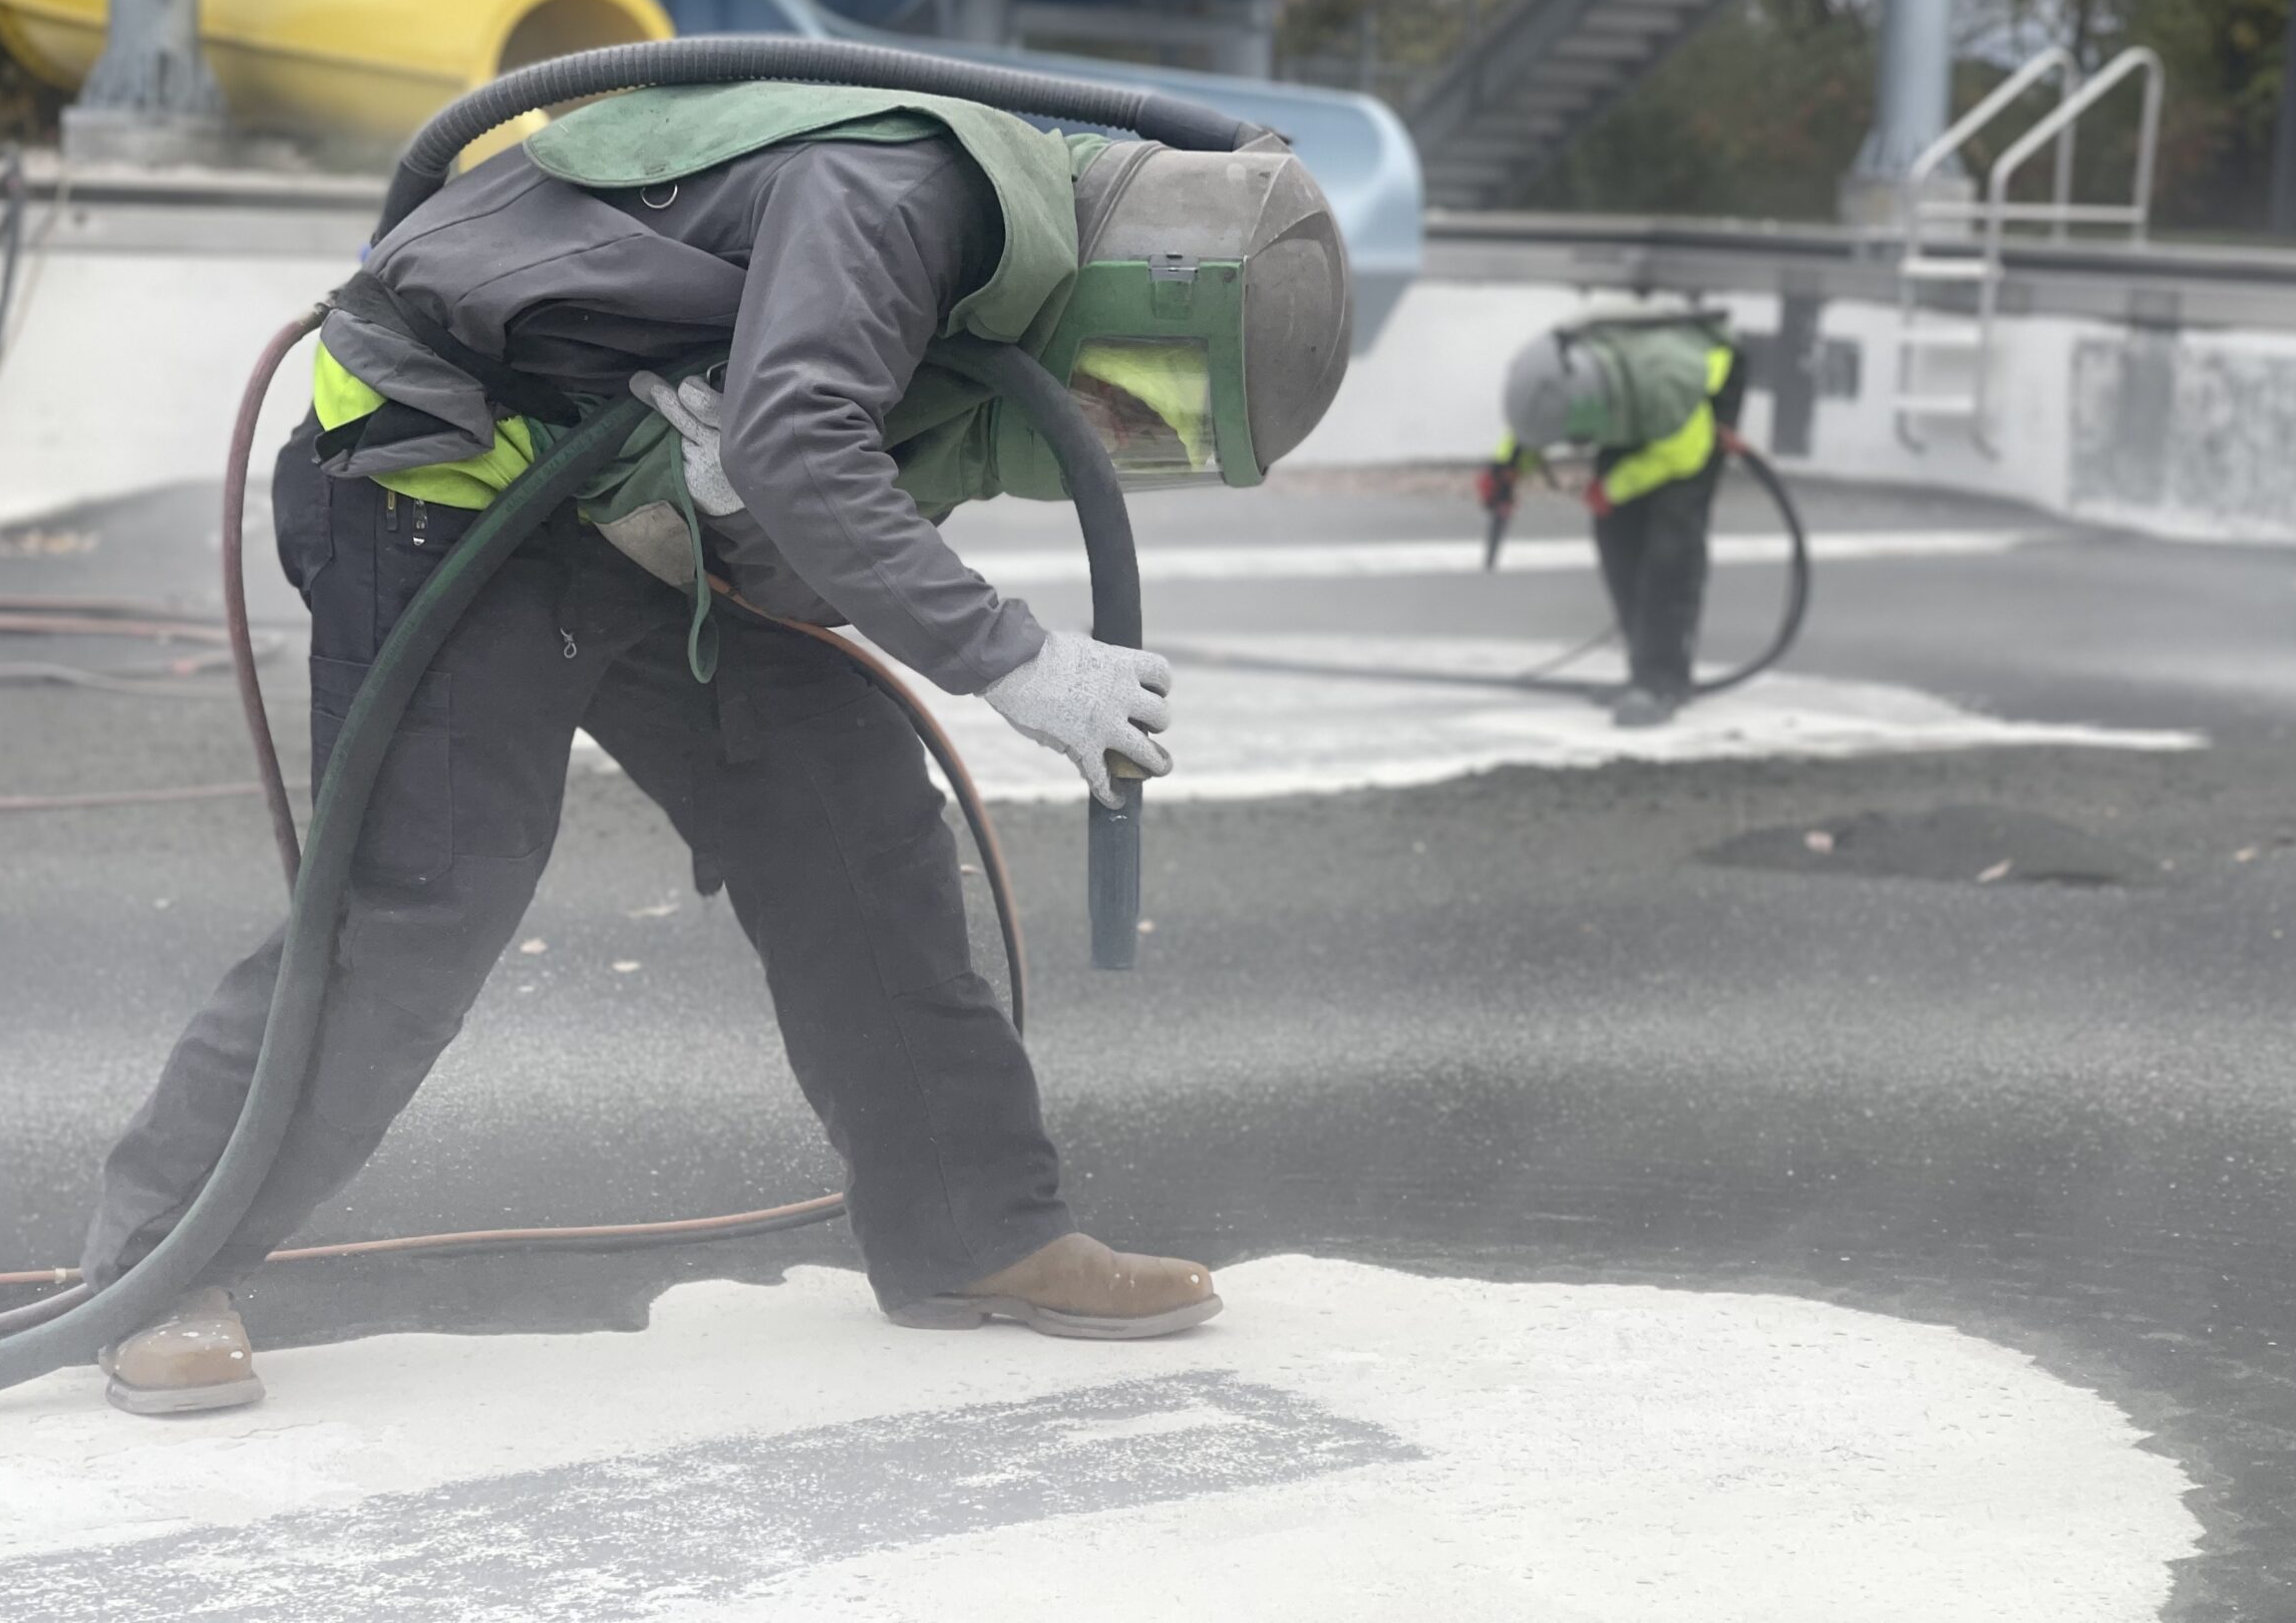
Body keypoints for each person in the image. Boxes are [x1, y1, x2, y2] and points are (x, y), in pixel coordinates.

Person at [85, 80, 1354, 1415]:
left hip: (624, 511)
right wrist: (1008, 654)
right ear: (1146, 291)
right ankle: (154, 1268)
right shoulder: (904, 197)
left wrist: (731, 499)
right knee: (424, 899)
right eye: (1131, 401)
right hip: (443, 480)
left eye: (1152, 437)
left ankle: (974, 1234)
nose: (1109, 436)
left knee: (846, 802)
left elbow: (812, 542)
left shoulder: (999, 306)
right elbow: (808, 439)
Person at [1478, 313, 1745, 728]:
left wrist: (1613, 488)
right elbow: (1544, 417)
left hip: (1697, 399)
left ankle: (1661, 682)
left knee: (1669, 544)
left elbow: (1682, 455)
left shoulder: (1665, 391)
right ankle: (1643, 668)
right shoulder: (1561, 373)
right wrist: (1507, 466)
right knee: (1616, 535)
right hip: (1633, 397)